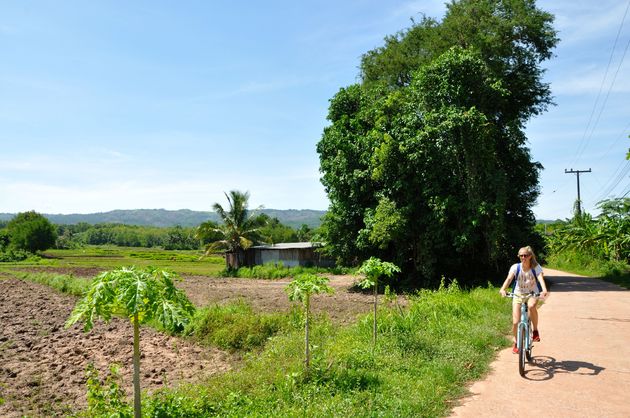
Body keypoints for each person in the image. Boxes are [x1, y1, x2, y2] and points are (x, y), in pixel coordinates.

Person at [499, 246, 549, 354]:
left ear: (530, 256)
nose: (523, 257)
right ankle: (516, 342)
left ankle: (535, 331)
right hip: (518, 294)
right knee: (516, 322)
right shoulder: (515, 267)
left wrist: (544, 290)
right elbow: (508, 279)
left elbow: (540, 279)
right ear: (518, 256)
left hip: (532, 293)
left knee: (531, 306)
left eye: (525, 255)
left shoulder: (535, 267)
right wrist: (503, 289)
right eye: (521, 255)